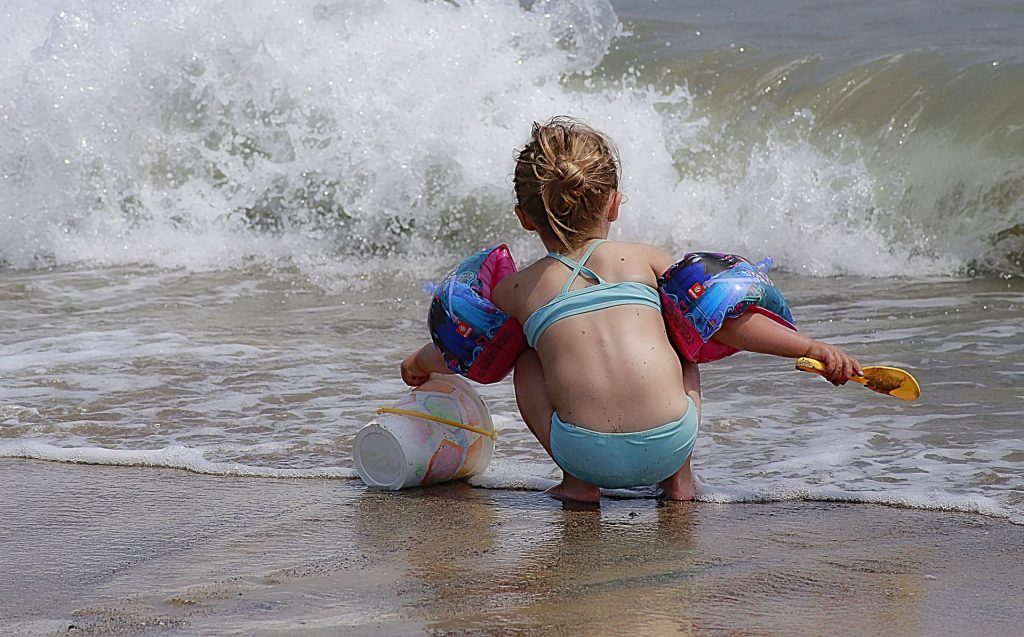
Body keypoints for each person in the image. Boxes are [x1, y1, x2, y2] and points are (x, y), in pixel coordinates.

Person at [401, 116, 861, 503]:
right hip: (669, 440)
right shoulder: (646, 259)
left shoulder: (520, 289)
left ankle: (577, 485)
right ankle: (680, 481)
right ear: (614, 203)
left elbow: (463, 348)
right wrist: (810, 347)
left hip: (584, 454)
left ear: (523, 217)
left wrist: (418, 363)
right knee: (684, 335)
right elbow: (729, 324)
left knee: (525, 359)